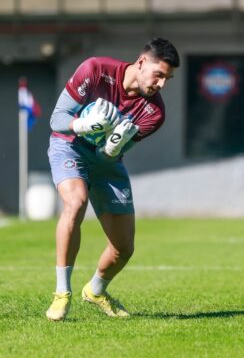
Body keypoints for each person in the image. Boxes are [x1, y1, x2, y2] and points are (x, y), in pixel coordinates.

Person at [45, 38, 179, 321]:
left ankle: (95, 290)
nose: (162, 84)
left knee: (124, 248)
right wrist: (81, 125)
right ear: (142, 62)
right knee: (76, 202)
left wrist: (112, 146)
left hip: (106, 163)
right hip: (69, 144)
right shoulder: (95, 69)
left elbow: (108, 158)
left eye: (168, 78)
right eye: (159, 74)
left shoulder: (155, 113)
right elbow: (57, 119)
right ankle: (61, 293)